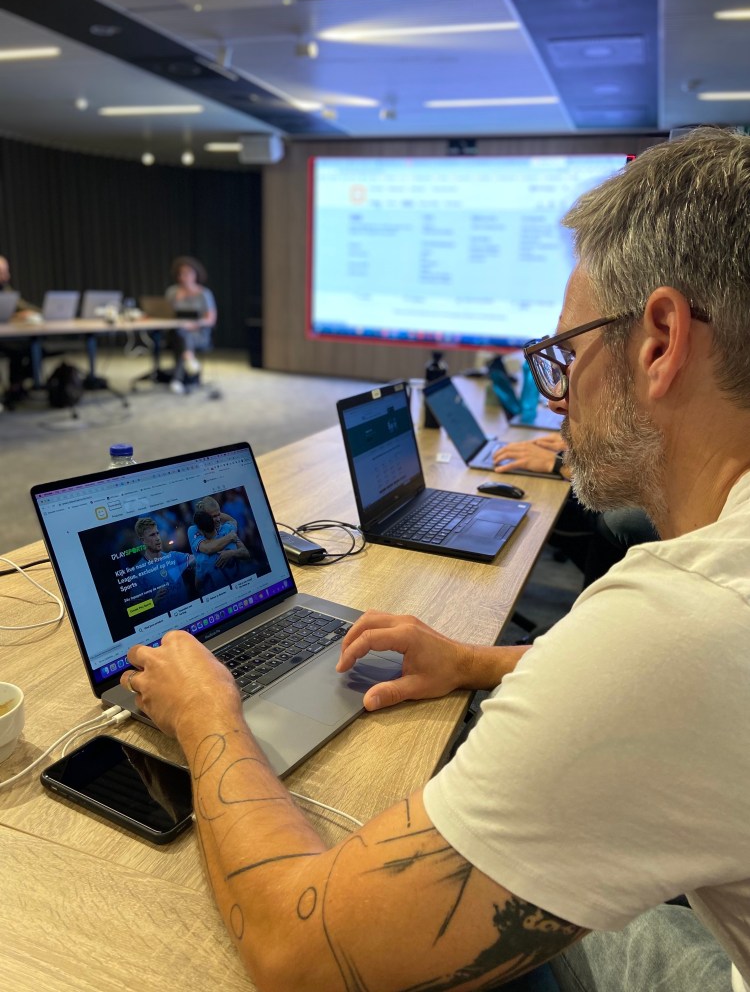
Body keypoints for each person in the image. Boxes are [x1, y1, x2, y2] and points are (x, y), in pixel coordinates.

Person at [121, 127, 750, 992]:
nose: (555, 396)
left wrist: (206, 714)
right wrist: (475, 660)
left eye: (564, 355)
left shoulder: (687, 618)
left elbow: (301, 954)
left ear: (660, 340)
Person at [494, 434, 658, 586]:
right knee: (546, 507)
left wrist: (558, 463)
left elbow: (638, 482)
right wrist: (591, 447)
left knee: (546, 513)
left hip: (639, 515)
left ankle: (595, 607)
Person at [164, 255, 217, 394]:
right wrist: (175, 301)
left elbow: (211, 320)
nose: (183, 277)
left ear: (196, 274)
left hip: (199, 334)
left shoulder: (204, 294)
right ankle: (189, 360)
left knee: (184, 336)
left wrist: (193, 325)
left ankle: (177, 379)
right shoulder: (173, 292)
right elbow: (164, 315)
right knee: (181, 334)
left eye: (187, 273)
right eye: (180, 274)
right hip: (176, 333)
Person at [0, 253, 41, 408]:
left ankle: (17, 385)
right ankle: (15, 386)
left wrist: (38, 313)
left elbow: (22, 305)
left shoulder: (5, 289)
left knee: (33, 346)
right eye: (2, 272)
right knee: (20, 348)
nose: (6, 275)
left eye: (6, 271)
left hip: (8, 336)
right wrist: (16, 315)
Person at [131, 517, 195, 613]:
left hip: (188, 615)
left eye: (157, 533)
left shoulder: (173, 556)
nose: (157, 538)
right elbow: (133, 610)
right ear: (143, 540)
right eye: (152, 535)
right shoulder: (137, 571)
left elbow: (199, 559)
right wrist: (153, 601)